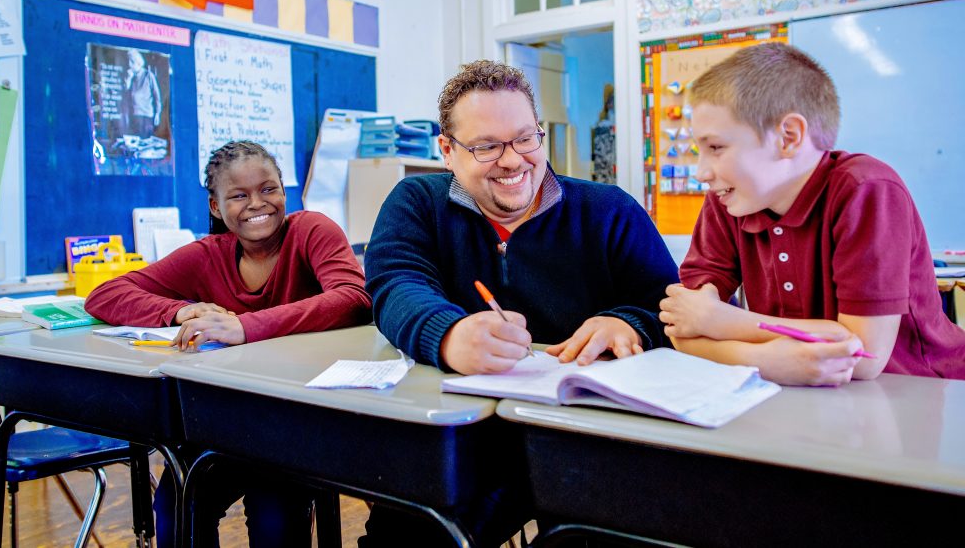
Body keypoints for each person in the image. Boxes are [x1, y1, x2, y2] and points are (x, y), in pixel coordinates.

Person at [361, 60, 678, 546]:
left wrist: (628, 323)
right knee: (410, 531)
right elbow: (395, 284)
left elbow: (664, 303)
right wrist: (447, 335)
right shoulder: (417, 202)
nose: (512, 160)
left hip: (584, 441)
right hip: (462, 441)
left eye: (526, 138)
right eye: (486, 146)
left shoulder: (608, 210)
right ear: (447, 151)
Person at [85, 140, 372, 547]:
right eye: (238, 195)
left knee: (273, 516)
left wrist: (245, 326)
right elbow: (105, 295)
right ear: (216, 207)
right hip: (225, 421)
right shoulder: (207, 255)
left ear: (283, 192)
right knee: (175, 505)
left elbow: (353, 299)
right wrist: (179, 311)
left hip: (299, 421)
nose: (258, 203)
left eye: (269, 189)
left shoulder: (311, 231)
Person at [659, 42, 965, 385]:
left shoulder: (866, 188)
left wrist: (723, 323)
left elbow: (863, 358)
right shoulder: (728, 199)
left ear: (788, 137)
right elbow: (682, 329)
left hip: (922, 391)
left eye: (716, 148)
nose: (701, 172)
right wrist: (761, 360)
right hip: (799, 396)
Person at [124, 48, 162, 138]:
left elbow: (157, 96)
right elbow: (125, 96)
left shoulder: (148, 75)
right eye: (129, 62)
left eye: (132, 62)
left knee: (146, 141)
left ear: (138, 63)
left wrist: (157, 113)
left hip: (146, 115)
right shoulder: (130, 77)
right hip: (134, 115)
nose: (130, 65)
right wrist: (128, 80)